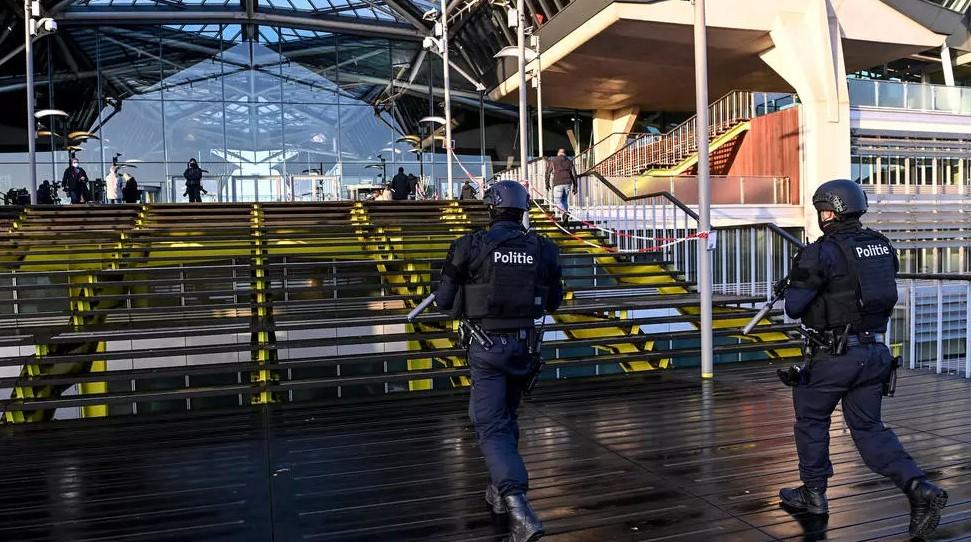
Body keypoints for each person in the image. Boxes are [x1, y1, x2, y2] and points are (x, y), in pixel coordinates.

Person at [779, 179, 947, 539]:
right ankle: (918, 487)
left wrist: (794, 282)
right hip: (874, 354)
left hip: (832, 357)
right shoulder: (880, 246)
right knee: (869, 429)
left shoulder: (819, 252)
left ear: (828, 212)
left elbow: (794, 307)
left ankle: (813, 493)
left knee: (811, 421)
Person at [434, 180, 563, 542]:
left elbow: (444, 300)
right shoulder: (544, 249)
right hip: (525, 349)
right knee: (505, 418)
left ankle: (518, 506)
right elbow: (553, 302)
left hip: (487, 349)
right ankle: (498, 491)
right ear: (524, 210)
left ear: (491, 207)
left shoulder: (469, 246)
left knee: (489, 424)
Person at [545, 148, 577, 217]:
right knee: (564, 200)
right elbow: (574, 174)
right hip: (568, 183)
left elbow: (547, 173)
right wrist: (575, 186)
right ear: (565, 154)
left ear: (558, 153)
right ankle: (565, 217)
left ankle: (564, 213)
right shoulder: (569, 161)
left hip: (558, 182)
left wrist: (547, 183)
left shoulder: (553, 161)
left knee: (557, 201)